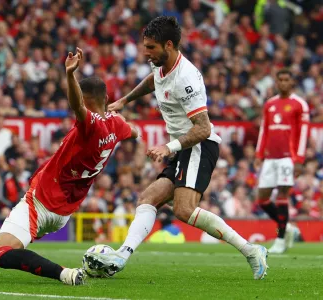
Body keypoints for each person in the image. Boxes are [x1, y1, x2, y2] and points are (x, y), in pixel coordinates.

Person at [85, 16, 268, 280]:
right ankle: (122, 256)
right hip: (183, 148)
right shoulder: (161, 67)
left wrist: (168, 147)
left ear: (168, 45)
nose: (145, 53)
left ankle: (251, 251)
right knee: (147, 198)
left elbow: (203, 128)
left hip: (199, 146)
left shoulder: (187, 78)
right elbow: (153, 80)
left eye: (151, 48)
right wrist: (125, 100)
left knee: (183, 209)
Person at [0, 48, 138, 285]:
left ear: (85, 99)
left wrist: (70, 75)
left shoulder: (91, 124)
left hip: (41, 201)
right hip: (64, 213)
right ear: (107, 99)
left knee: (0, 256)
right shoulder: (116, 125)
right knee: (15, 242)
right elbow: (136, 131)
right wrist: (117, 117)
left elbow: (77, 106)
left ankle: (62, 273)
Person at [255, 69, 309, 254]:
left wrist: (299, 159)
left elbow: (303, 134)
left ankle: (280, 239)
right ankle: (289, 229)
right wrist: (259, 154)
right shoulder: (270, 104)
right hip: (270, 157)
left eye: (287, 80)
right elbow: (264, 131)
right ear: (276, 83)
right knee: (262, 199)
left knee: (282, 197)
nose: (284, 83)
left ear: (292, 82)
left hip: (288, 158)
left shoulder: (299, 104)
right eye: (281, 80)